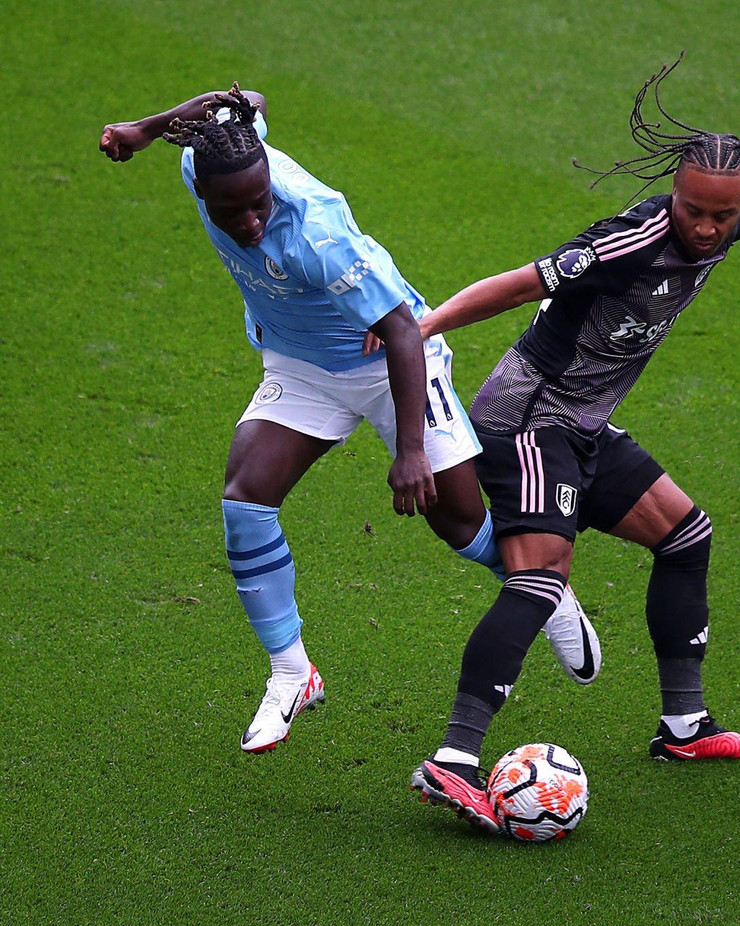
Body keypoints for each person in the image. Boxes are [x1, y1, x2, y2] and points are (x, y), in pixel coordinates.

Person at [406, 58, 740, 832]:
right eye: (694, 212)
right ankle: (454, 762)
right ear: (674, 196)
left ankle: (684, 730)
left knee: (684, 535)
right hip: (531, 418)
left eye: (721, 215)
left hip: (583, 423)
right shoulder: (627, 243)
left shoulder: (732, 219)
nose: (707, 229)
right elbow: (519, 282)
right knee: (540, 580)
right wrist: (427, 327)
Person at [98, 85, 600, 755]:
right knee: (245, 498)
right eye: (231, 211)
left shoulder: (318, 233)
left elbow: (400, 331)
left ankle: (541, 585)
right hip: (300, 364)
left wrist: (410, 452)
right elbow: (239, 98)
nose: (248, 221)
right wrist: (142, 126)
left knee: (452, 517)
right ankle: (292, 672)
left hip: (391, 362)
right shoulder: (206, 159)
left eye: (258, 204)